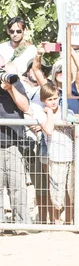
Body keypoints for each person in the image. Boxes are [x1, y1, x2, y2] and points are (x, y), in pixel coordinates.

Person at [38, 82, 74, 225]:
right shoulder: (42, 113)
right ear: (43, 101)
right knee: (56, 191)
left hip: (71, 156)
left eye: (55, 98)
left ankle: (70, 221)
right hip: (56, 156)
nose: (53, 102)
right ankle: (57, 221)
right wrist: (50, 114)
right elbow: (49, 130)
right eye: (49, 99)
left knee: (71, 190)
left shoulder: (67, 112)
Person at [0, 68, 31, 226]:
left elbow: (25, 106)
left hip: (13, 143)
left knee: (18, 186)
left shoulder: (14, 82)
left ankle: (22, 224)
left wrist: (11, 88)